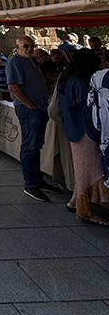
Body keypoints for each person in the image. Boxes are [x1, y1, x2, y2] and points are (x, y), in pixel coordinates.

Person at [6, 36, 63, 202]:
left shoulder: (29, 61)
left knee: (36, 146)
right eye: (26, 46)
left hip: (38, 109)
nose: (30, 49)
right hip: (30, 111)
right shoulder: (15, 62)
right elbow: (13, 87)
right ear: (17, 46)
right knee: (29, 147)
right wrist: (29, 105)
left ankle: (38, 180)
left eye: (32, 46)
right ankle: (30, 184)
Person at [55, 48, 109, 224]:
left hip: (72, 129)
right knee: (88, 172)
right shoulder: (80, 82)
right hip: (84, 132)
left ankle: (74, 201)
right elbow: (88, 109)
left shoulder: (65, 78)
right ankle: (84, 211)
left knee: (80, 169)